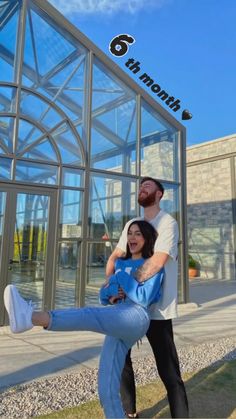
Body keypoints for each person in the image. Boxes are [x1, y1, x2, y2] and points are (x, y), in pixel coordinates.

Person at [4, 220, 164, 419]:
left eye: (138, 233)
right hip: (118, 316)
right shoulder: (121, 263)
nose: (132, 237)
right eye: (129, 233)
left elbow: (144, 298)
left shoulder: (151, 265)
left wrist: (121, 278)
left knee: (90, 315)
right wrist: (113, 290)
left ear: (147, 238)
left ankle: (31, 317)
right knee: (105, 384)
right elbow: (103, 296)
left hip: (137, 316)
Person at [106, 177, 189, 418]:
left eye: (148, 186)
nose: (142, 188)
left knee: (169, 372)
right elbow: (115, 257)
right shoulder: (133, 224)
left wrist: (127, 282)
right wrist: (113, 286)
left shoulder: (168, 223)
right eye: (141, 186)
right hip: (127, 307)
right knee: (122, 361)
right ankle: (129, 412)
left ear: (160, 194)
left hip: (157, 309)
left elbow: (157, 261)